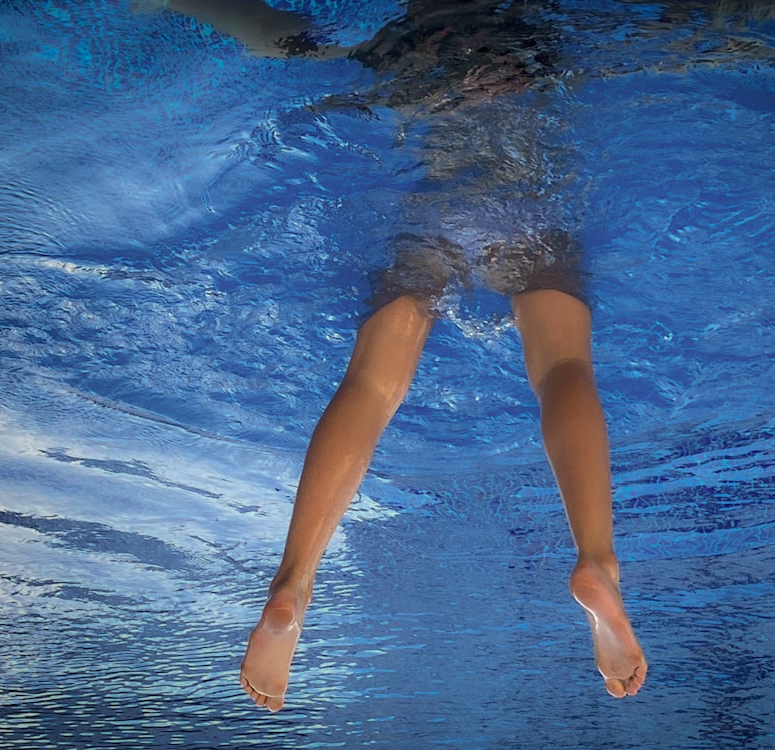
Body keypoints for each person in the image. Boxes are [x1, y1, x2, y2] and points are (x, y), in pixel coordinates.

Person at [148, 0, 655, 713]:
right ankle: (597, 561)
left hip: (433, 206)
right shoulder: (539, 28)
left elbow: (269, 34)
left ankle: (292, 584)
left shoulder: (397, 38)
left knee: (372, 383)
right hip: (523, 198)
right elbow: (675, 37)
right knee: (562, 369)